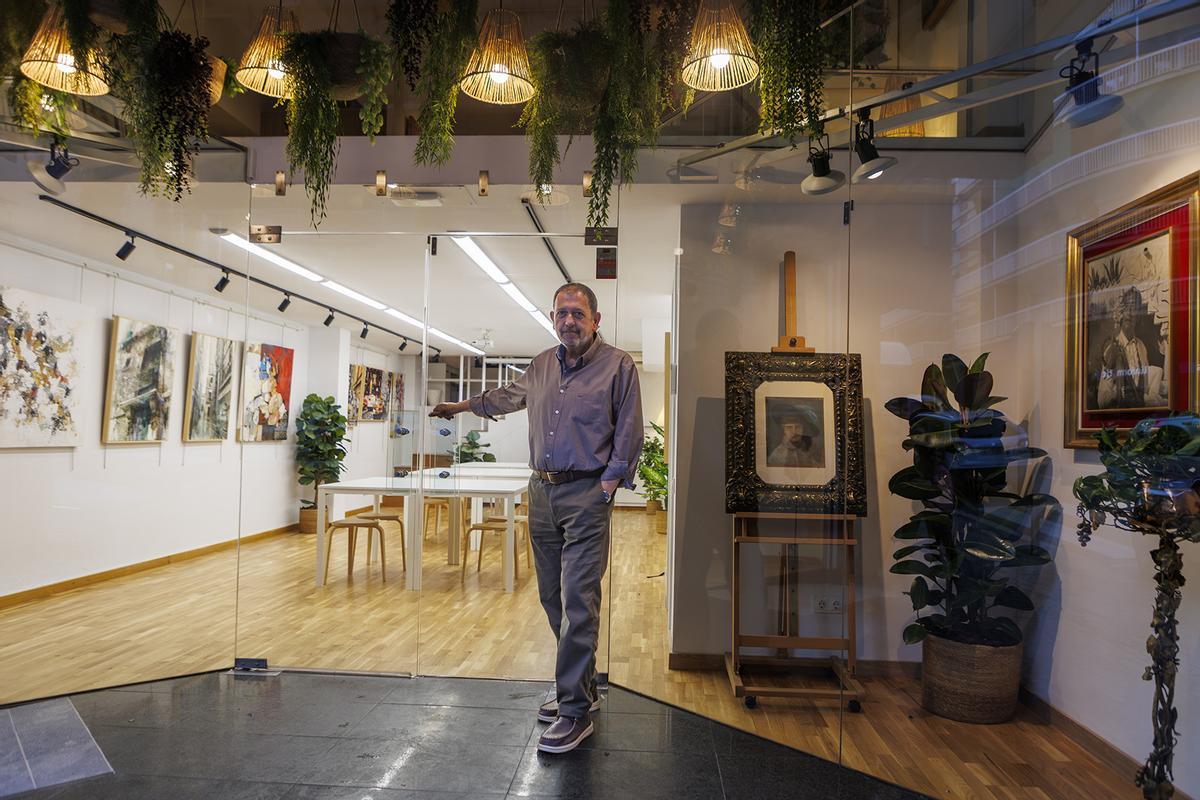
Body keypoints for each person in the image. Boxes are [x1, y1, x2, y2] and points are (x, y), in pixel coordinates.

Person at [430, 282, 643, 754]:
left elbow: (629, 430)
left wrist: (606, 486)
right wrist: (460, 406)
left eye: (578, 314)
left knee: (578, 600)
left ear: (596, 320)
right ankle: (581, 689)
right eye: (562, 313)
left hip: (587, 492)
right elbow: (506, 398)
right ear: (553, 318)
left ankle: (574, 712)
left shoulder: (618, 365)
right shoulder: (543, 363)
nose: (570, 321)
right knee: (552, 598)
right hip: (541, 491)